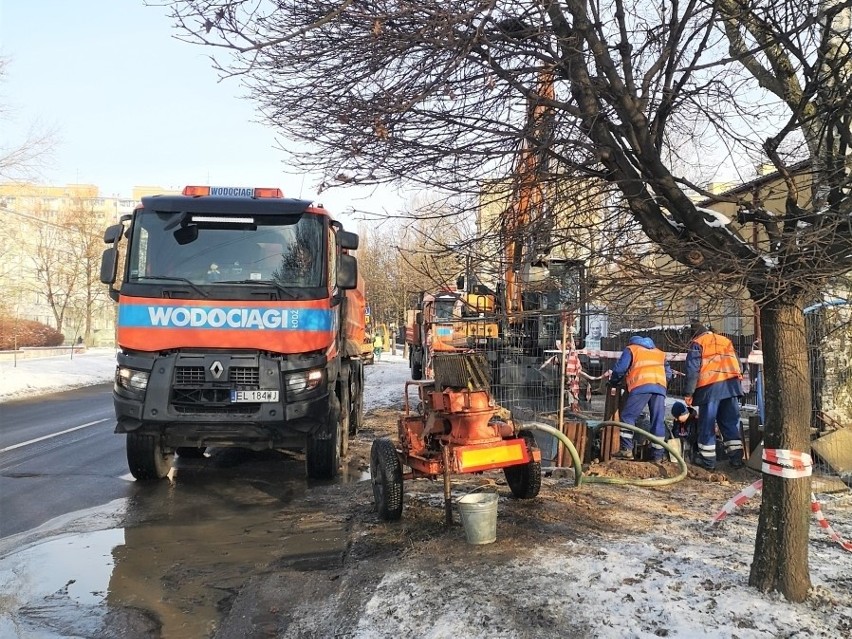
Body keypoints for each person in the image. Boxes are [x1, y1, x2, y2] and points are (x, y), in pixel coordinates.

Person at [684, 322, 744, 470]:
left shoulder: (698, 343)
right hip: (731, 387)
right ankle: (736, 459)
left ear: (694, 335)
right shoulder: (725, 341)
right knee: (730, 423)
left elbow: (693, 371)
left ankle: (708, 462)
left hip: (710, 388)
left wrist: (689, 393)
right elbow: (740, 366)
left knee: (707, 425)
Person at [607, 335, 673, 461]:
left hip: (641, 386)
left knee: (628, 417)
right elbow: (668, 374)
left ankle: (626, 449)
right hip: (659, 387)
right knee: (658, 421)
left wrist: (614, 382)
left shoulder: (632, 349)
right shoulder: (659, 353)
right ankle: (658, 456)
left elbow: (620, 369)